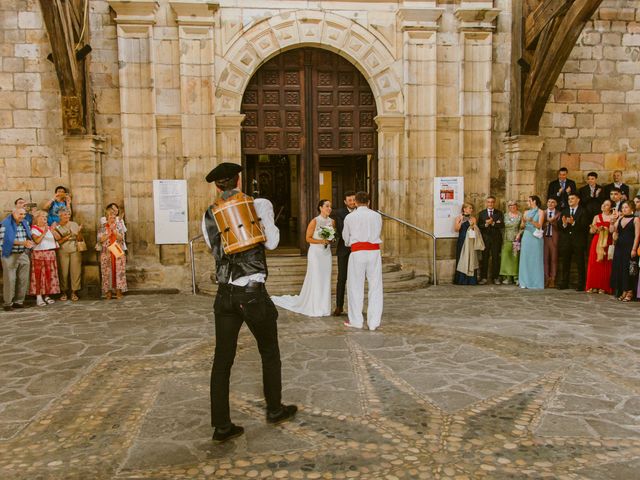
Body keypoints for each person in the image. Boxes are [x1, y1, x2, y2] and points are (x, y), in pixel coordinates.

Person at [201, 162, 296, 443]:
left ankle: (221, 425)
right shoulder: (258, 204)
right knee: (269, 351)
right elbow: (273, 243)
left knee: (222, 360)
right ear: (239, 181)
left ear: (217, 186)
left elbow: (213, 247)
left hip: (224, 293)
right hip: (252, 292)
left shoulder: (209, 213)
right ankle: (275, 409)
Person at [272, 200, 335, 317]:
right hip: (316, 253)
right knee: (316, 277)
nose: (329, 208)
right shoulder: (315, 221)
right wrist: (322, 241)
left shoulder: (332, 221)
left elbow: (331, 237)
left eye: (330, 206)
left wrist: (330, 239)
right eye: (327, 206)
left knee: (325, 279)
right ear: (320, 208)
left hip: (326, 253)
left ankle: (324, 307)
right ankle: (315, 306)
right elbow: (308, 238)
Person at [342, 191, 383, 331]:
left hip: (357, 252)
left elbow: (346, 238)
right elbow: (378, 231)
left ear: (356, 202)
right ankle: (373, 322)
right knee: (375, 286)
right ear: (369, 202)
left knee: (355, 286)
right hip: (374, 252)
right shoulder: (377, 216)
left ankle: (356, 321)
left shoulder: (350, 217)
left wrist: (351, 242)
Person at [0, 207, 34, 311]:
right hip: (9, 254)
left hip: (23, 253)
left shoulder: (25, 223)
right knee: (10, 279)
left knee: (23, 279)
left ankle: (19, 302)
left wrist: (29, 243)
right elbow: (5, 241)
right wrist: (23, 243)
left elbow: (28, 236)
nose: (22, 216)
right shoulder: (4, 224)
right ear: (13, 213)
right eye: (20, 214)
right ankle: (8, 303)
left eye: (24, 214)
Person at [557, 193, 590, 291]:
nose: (570, 200)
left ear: (578, 200)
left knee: (580, 263)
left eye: (572, 198)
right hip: (566, 241)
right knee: (565, 263)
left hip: (578, 241)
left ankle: (581, 284)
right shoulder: (564, 211)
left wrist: (574, 223)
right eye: (569, 199)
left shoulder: (583, 211)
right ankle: (564, 283)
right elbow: (559, 226)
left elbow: (585, 226)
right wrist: (564, 224)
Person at [610, 201, 640, 302]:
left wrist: (634, 249)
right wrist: (612, 221)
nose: (624, 209)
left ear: (632, 209)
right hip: (619, 247)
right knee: (620, 268)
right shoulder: (620, 218)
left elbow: (637, 236)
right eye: (622, 207)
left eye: (626, 207)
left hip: (629, 247)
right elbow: (612, 230)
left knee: (628, 269)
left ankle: (630, 291)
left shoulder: (636, 219)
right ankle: (623, 290)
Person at [332, 191, 356, 316]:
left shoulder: (361, 212)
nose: (352, 202)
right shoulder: (340, 213)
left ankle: (355, 307)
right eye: (350, 200)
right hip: (344, 250)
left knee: (356, 279)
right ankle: (339, 306)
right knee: (342, 278)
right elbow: (341, 230)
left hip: (358, 249)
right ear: (345, 202)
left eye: (354, 200)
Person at [29, 210, 61, 306]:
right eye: (42, 217)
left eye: (45, 217)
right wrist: (44, 232)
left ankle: (47, 295)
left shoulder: (49, 228)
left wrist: (53, 230)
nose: (45, 219)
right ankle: (38, 296)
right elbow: (37, 241)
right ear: (37, 218)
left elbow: (58, 238)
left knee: (49, 275)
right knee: (39, 275)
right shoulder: (34, 229)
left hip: (50, 253)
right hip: (39, 254)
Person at [52, 208, 83, 301]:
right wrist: (69, 235)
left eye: (68, 214)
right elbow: (58, 240)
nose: (67, 216)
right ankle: (63, 291)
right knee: (63, 271)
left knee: (76, 271)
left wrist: (79, 232)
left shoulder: (74, 224)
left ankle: (74, 291)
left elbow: (80, 239)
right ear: (60, 216)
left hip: (75, 249)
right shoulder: (56, 226)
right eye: (65, 214)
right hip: (62, 249)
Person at [585, 200, 614, 294]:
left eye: (607, 205)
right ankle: (593, 285)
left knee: (605, 263)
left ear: (611, 207)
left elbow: (612, 230)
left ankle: (603, 286)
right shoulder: (596, 217)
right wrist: (595, 229)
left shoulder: (612, 217)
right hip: (597, 241)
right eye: (603, 204)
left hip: (607, 241)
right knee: (594, 263)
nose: (604, 206)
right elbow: (591, 231)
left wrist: (606, 228)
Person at [98, 208, 127, 299]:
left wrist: (114, 231)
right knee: (107, 272)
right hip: (106, 252)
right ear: (107, 218)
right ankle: (108, 292)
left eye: (114, 217)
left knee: (118, 271)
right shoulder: (102, 228)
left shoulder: (119, 226)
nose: (112, 218)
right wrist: (109, 233)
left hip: (117, 251)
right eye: (110, 217)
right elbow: (100, 240)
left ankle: (118, 292)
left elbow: (121, 238)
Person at [518, 196, 545, 289]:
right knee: (525, 259)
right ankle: (524, 281)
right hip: (526, 236)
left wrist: (531, 221)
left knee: (535, 259)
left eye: (529, 201)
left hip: (535, 237)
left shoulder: (541, 212)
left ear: (534, 201)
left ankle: (535, 282)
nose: (527, 202)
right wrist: (524, 222)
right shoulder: (525, 212)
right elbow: (521, 226)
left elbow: (539, 225)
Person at [454, 203, 484, 285]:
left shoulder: (473, 218)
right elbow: (456, 229)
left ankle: (471, 280)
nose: (471, 210)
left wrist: (473, 226)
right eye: (470, 208)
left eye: (472, 208)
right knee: (462, 259)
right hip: (462, 240)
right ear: (464, 209)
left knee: (471, 258)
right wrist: (460, 220)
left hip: (470, 241)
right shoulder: (458, 217)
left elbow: (476, 230)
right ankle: (461, 280)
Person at [477, 196, 504, 285]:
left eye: (492, 202)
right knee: (484, 258)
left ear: (494, 203)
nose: (490, 204)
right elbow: (479, 226)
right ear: (486, 203)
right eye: (489, 202)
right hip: (485, 239)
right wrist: (485, 224)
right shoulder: (482, 213)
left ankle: (495, 277)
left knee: (496, 258)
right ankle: (483, 277)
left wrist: (492, 223)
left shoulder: (499, 213)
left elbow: (501, 225)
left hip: (496, 239)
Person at [498, 200, 521, 285]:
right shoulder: (505, 215)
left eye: (514, 205)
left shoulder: (520, 215)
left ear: (516, 206)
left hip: (517, 239)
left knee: (515, 257)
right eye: (510, 206)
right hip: (506, 238)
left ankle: (516, 277)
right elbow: (502, 225)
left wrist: (519, 233)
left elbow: (522, 226)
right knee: (506, 257)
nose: (512, 207)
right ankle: (507, 277)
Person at [542, 197, 561, 288]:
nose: (550, 204)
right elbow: (539, 225)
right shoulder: (543, 213)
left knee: (554, 259)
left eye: (553, 202)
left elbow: (561, 227)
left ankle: (553, 279)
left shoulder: (558, 214)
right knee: (545, 259)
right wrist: (544, 224)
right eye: (549, 202)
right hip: (544, 238)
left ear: (556, 204)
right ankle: (546, 278)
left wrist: (553, 222)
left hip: (554, 238)